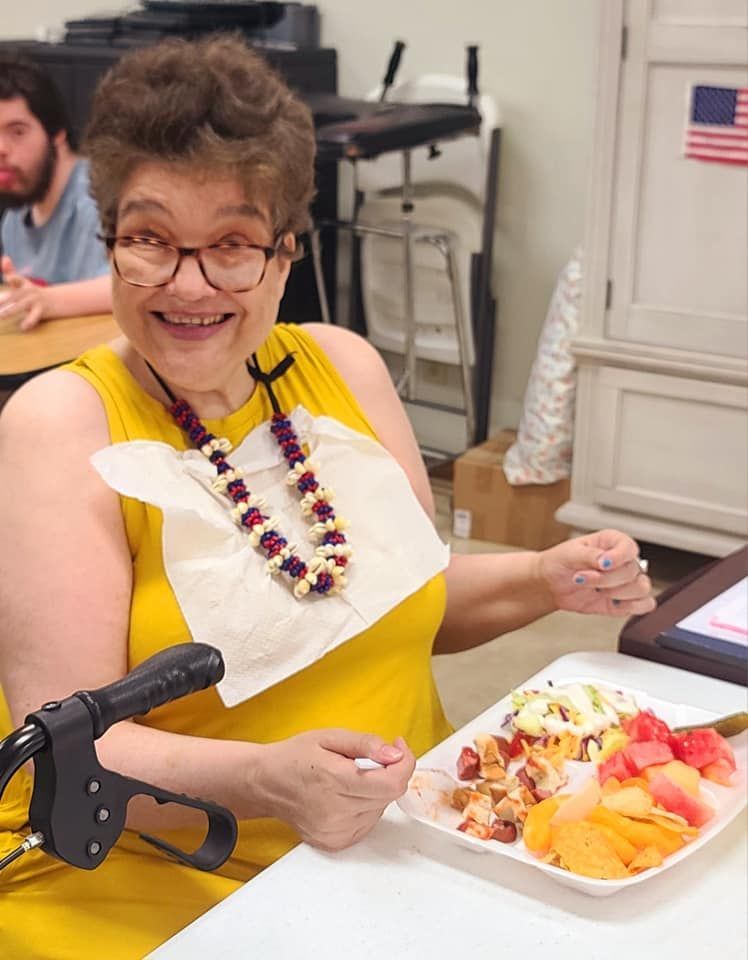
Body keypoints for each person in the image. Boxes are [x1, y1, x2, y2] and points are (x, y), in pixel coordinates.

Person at [0, 35, 655, 960]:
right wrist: (267, 780)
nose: (188, 284)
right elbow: (65, 751)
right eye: (149, 240)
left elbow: (407, 601)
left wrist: (543, 578)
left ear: (284, 254)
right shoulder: (62, 424)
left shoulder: (343, 368)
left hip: (407, 838)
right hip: (162, 871)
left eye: (232, 245)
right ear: (110, 242)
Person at [0, 52, 111, 331]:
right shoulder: (15, 216)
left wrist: (48, 299)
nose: (1, 149)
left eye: (17, 132)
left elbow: (130, 288)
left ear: (57, 133)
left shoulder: (99, 197)